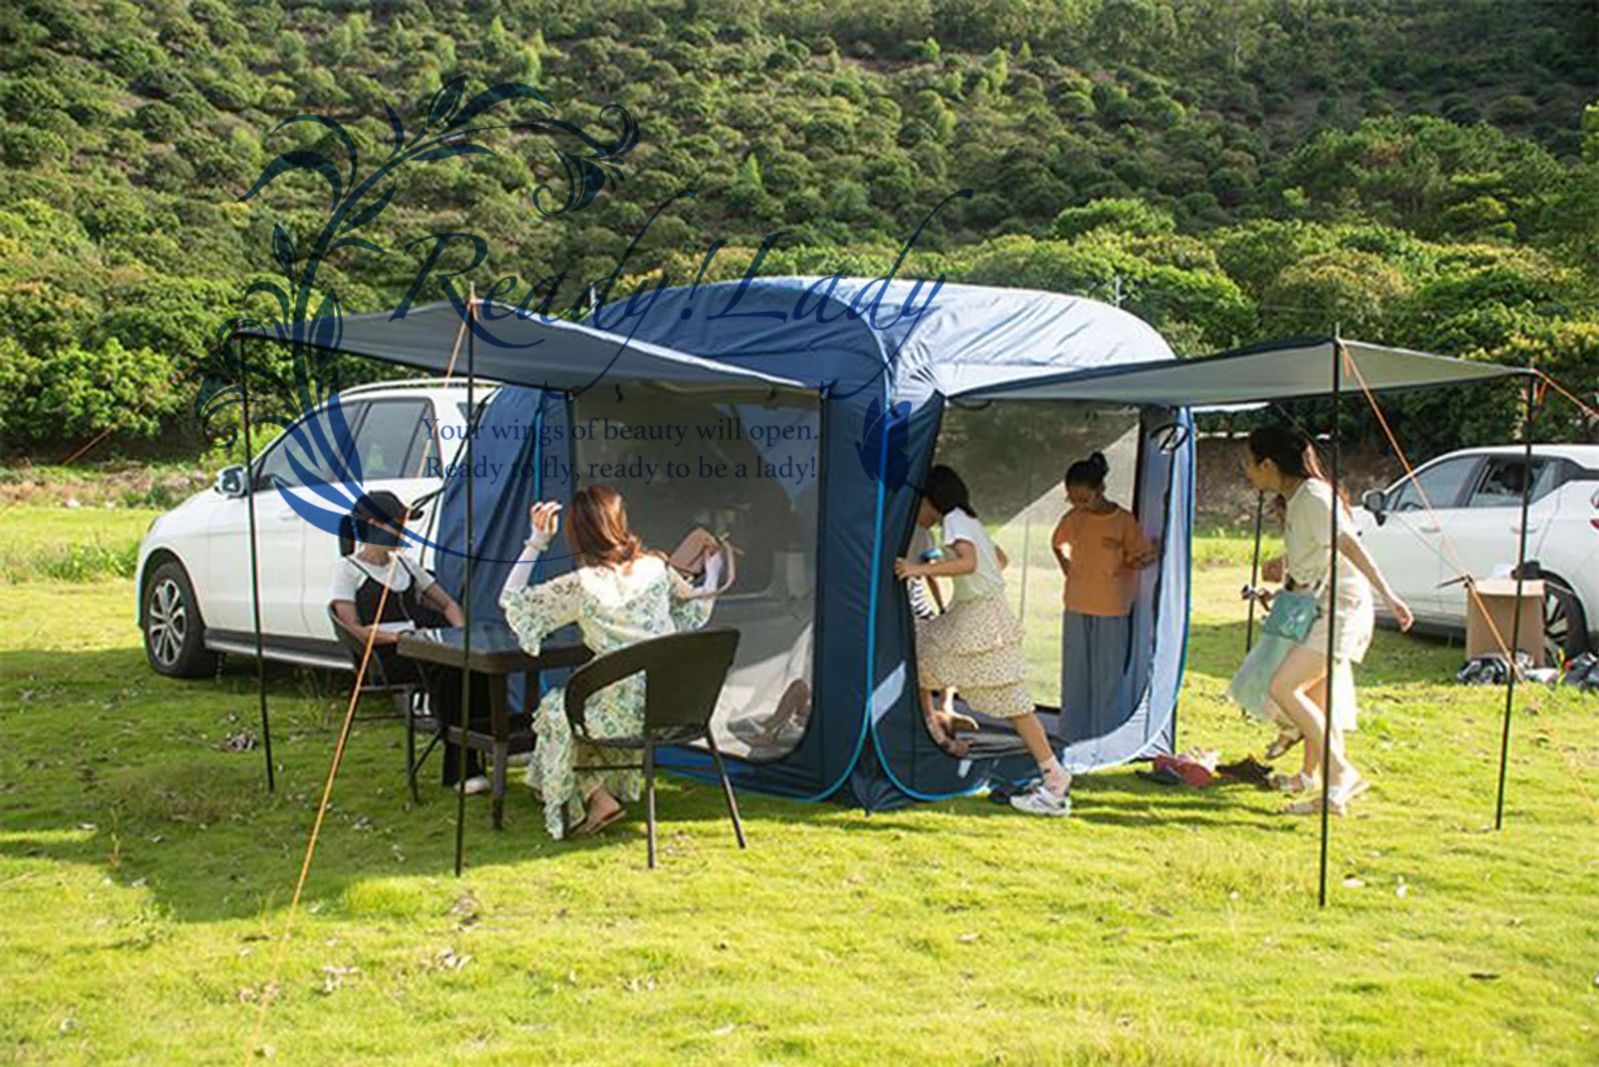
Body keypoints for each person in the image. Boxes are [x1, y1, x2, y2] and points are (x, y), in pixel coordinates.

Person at [500, 486, 724, 839]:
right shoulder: (656, 568)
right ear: (620, 522)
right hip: (674, 707)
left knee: (555, 710)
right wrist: (713, 570)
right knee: (568, 710)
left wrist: (537, 541)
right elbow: (695, 605)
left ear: (576, 533)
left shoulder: (581, 585)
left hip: (620, 716)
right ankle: (560, 788)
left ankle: (594, 796)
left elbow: (512, 598)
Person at [1240, 425, 1414, 814]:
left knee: (1284, 686)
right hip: (1316, 604)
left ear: (1268, 464)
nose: (1248, 473)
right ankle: (1317, 782)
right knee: (1318, 698)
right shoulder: (1297, 498)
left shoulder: (1314, 497)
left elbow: (1349, 545)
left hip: (1341, 608)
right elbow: (1314, 559)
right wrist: (1280, 590)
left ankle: (1341, 772)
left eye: (1249, 464)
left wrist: (1389, 596)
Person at [894, 465, 1073, 817]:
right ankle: (934, 730)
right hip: (975, 612)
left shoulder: (954, 520)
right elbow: (998, 559)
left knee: (1014, 703)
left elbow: (969, 562)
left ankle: (1054, 779)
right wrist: (974, 587)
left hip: (981, 617)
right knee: (924, 658)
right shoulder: (969, 520)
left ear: (932, 498)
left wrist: (917, 570)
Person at [328, 491, 492, 794]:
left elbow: (448, 604)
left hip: (423, 646)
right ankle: (461, 769)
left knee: (476, 665)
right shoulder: (349, 569)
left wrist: (461, 634)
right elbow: (353, 628)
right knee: (451, 672)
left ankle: (492, 741)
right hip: (386, 656)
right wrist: (399, 638)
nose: (403, 532)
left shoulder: (406, 564)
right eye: (398, 524)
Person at [1050, 452, 1158, 734]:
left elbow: (1142, 555)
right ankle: (1072, 735)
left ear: (1101, 490)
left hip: (1112, 608)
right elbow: (1056, 543)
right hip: (1077, 605)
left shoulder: (1123, 521)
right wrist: (1068, 569)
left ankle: (1106, 736)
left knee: (1108, 676)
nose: (1078, 505)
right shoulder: (1074, 518)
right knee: (1075, 675)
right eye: (1072, 500)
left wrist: (1143, 559)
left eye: (1084, 499)